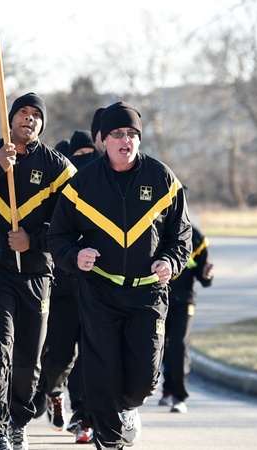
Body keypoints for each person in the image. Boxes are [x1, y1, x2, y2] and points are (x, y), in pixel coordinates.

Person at [48, 101, 192, 449]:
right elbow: (58, 236)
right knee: (102, 374)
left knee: (143, 381)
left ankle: (127, 408)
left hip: (148, 295)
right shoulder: (83, 183)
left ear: (139, 139)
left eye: (131, 134)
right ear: (103, 139)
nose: (125, 140)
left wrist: (171, 262)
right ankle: (109, 440)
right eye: (117, 133)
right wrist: (74, 255)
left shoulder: (162, 179)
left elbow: (182, 235)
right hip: (101, 292)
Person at [0, 92, 76, 450]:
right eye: (23, 111)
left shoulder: (59, 167)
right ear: (11, 118)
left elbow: (71, 223)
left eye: (36, 114)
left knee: (28, 358)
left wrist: (33, 240)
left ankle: (19, 420)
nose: (29, 118)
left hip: (37, 274)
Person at [159, 217, 214, 414]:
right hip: (156, 299)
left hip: (184, 302)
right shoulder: (155, 228)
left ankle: (179, 396)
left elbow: (203, 275)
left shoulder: (197, 238)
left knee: (179, 345)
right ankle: (166, 388)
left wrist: (207, 276)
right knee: (160, 345)